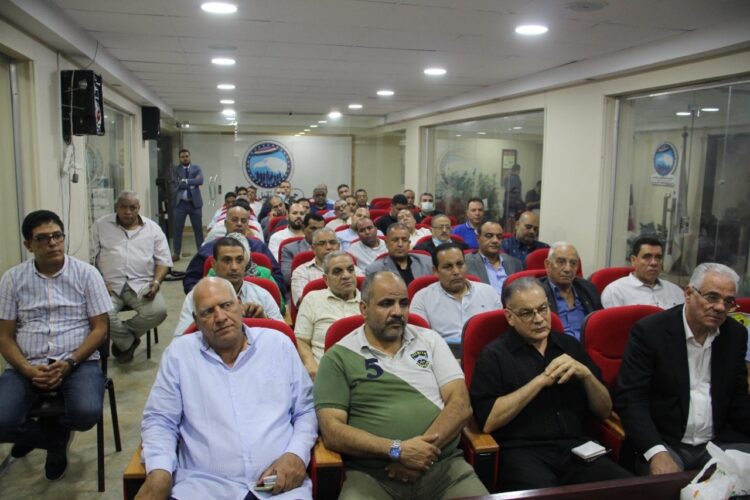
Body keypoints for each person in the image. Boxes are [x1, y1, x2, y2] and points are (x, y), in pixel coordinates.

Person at [138, 277, 317, 499]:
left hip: (278, 487)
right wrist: (159, 473)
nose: (221, 317)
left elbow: (306, 410)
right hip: (202, 488)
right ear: (196, 320)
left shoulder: (277, 345)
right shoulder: (179, 355)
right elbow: (160, 421)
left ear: (240, 305)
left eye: (226, 305)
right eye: (208, 312)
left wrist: (296, 454)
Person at [314, 271, 488, 499]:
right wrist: (397, 450)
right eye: (386, 303)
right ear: (364, 308)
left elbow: (460, 405)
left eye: (403, 303)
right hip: (372, 476)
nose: (397, 312)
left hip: (442, 468)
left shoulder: (430, 340)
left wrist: (420, 455)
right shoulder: (338, 356)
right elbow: (332, 431)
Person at [470, 278, 631, 491]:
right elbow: (489, 421)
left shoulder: (569, 346)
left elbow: (604, 411)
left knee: (627, 489)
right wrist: (539, 381)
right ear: (509, 317)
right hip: (523, 453)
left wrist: (587, 376)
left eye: (543, 309)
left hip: (577, 448)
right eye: (527, 313)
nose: (539, 319)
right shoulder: (494, 356)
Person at [0, 210, 111, 480]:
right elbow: (4, 336)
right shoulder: (12, 279)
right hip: (28, 363)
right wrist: (27, 369)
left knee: (86, 413)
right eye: (43, 238)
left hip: (77, 361)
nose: (52, 243)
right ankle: (53, 441)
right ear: (29, 245)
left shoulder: (87, 274)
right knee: (2, 420)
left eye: (57, 236)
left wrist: (70, 362)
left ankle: (47, 436)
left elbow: (100, 328)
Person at [616, 263, 750, 475]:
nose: (720, 307)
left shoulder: (735, 335)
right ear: (688, 293)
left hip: (718, 443)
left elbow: (738, 399)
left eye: (728, 301)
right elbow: (631, 399)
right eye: (712, 297)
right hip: (666, 442)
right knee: (665, 481)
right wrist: (656, 451)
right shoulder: (650, 332)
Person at [90, 191, 171, 363]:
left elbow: (164, 261)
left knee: (158, 311)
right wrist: (100, 281)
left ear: (138, 208)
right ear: (117, 207)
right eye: (123, 207)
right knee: (100, 314)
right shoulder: (101, 225)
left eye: (132, 207)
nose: (128, 211)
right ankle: (128, 343)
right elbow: (91, 259)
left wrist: (156, 282)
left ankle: (124, 338)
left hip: (142, 284)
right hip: (109, 286)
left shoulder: (153, 229)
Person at [175, 236, 282, 335]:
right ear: (214, 265)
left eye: (239, 260)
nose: (234, 267)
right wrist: (205, 319)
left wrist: (264, 321)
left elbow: (283, 335)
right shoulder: (196, 297)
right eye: (227, 260)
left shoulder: (262, 295)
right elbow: (180, 339)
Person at [410, 244, 501, 352]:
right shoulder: (422, 298)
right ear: (435, 271)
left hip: (486, 352)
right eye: (448, 267)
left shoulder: (489, 292)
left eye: (460, 264)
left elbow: (500, 333)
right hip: (442, 353)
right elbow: (419, 341)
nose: (456, 272)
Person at [183, 205, 281, 293]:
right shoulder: (209, 248)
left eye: (243, 221)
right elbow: (190, 279)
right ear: (225, 223)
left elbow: (277, 275)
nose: (239, 224)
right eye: (234, 220)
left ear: (247, 225)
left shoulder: (259, 247)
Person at [295, 252, 361, 379]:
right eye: (337, 272)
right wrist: (311, 366)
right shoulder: (312, 299)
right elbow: (301, 340)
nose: (346, 276)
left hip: (364, 372)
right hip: (324, 372)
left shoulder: (369, 302)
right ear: (326, 279)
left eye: (350, 270)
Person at [538, 242, 602, 341]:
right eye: (561, 262)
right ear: (548, 265)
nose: (568, 269)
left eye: (573, 263)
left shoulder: (588, 289)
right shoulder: (537, 293)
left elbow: (600, 324)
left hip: (588, 346)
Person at [601, 236, 684, 308]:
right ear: (633, 260)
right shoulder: (615, 292)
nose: (654, 263)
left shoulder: (675, 291)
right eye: (647, 257)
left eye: (658, 257)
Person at [291, 228, 353, 305]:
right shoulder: (301, 272)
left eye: (332, 242)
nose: (328, 247)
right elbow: (303, 302)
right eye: (322, 243)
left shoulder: (351, 269)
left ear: (339, 246)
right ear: (313, 249)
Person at [465, 220, 523, 295]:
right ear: (478, 238)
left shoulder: (515, 263)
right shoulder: (466, 262)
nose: (495, 240)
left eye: (499, 237)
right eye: (489, 236)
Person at [365, 223, 432, 286]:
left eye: (404, 240)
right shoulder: (374, 270)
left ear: (409, 244)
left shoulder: (427, 262)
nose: (400, 244)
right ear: (386, 243)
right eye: (395, 240)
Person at [170, 148, 204, 261]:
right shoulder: (175, 170)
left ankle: (201, 252)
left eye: (186, 156)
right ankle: (176, 253)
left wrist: (185, 181)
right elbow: (175, 184)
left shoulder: (197, 168)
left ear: (190, 156)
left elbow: (200, 181)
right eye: (182, 157)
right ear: (179, 158)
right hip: (180, 204)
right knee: (177, 229)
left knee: (198, 230)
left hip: (195, 204)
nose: (185, 158)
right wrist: (192, 182)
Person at [281, 214, 325, 287]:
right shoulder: (289, 249)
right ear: (303, 228)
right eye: (313, 228)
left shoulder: (331, 248)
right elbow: (287, 278)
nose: (317, 232)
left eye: (321, 229)